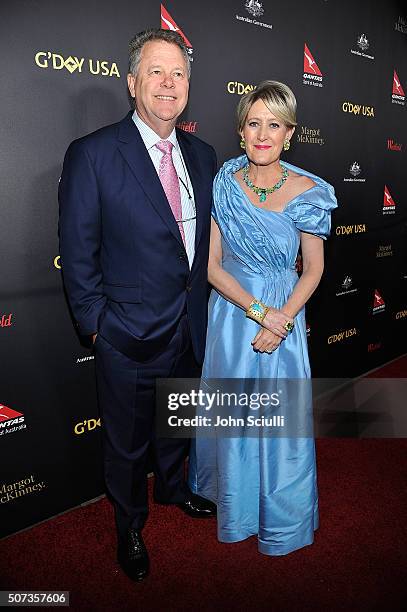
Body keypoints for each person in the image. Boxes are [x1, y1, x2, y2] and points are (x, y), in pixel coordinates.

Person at [58, 28, 217, 582]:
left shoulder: (204, 154)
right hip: (125, 335)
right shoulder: (94, 154)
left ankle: (174, 489)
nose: (168, 83)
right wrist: (98, 327)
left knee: (177, 424)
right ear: (131, 83)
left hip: (190, 327)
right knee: (125, 446)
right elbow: (78, 255)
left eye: (178, 73)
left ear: (189, 87)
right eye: (155, 71)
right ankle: (129, 524)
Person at [188, 80, 337, 555]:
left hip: (285, 319)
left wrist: (282, 319)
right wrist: (259, 313)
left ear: (290, 132)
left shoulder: (309, 191)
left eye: (274, 124)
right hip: (233, 317)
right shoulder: (225, 181)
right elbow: (211, 267)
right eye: (254, 123)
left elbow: (313, 269)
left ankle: (281, 518)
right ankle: (235, 506)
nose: (263, 133)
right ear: (241, 130)